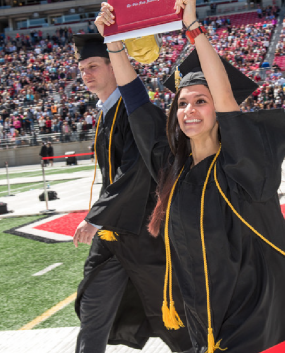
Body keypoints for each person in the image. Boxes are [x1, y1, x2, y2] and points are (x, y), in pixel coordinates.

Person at [98, 0, 285, 353]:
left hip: (251, 310)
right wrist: (114, 43)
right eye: (182, 102)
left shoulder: (244, 169)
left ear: (217, 109)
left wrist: (193, 29)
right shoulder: (172, 168)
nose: (189, 110)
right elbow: (137, 104)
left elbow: (229, 104)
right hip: (201, 313)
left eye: (201, 102)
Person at [71, 33, 191, 353]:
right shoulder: (107, 112)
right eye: (82, 67)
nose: (86, 73)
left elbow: (135, 172)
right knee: (92, 306)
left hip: (142, 235)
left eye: (93, 65)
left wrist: (95, 218)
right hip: (113, 235)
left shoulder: (136, 113)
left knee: (170, 316)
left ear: (114, 67)